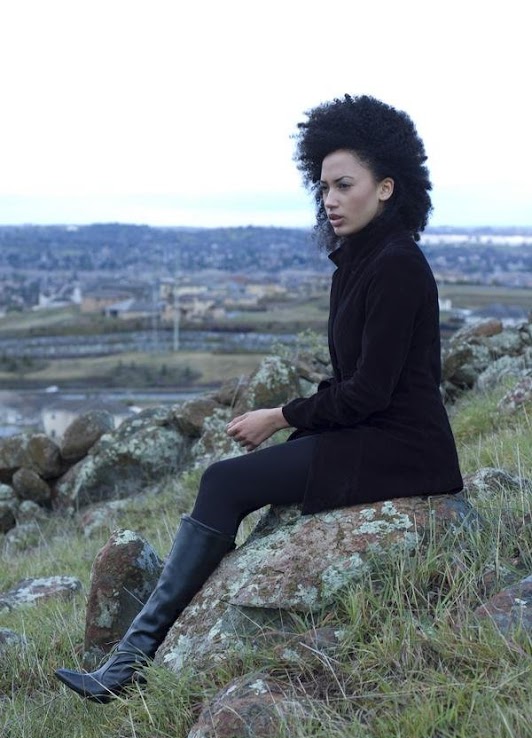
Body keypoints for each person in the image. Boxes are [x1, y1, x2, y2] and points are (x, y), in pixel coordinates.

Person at [55, 94, 463, 703]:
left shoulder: (396, 265)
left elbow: (370, 391)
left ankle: (129, 663)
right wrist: (301, 425)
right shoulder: (357, 263)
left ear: (386, 188)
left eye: (344, 185)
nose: (329, 199)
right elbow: (353, 382)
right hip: (376, 434)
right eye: (323, 187)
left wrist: (279, 416)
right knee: (245, 474)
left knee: (223, 482)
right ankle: (134, 656)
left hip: (406, 449)